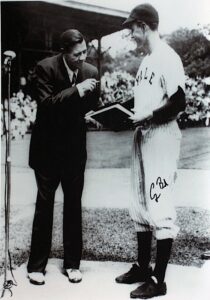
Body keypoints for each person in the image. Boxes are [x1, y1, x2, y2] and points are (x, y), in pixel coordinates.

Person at [115, 4, 186, 299]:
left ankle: (159, 280)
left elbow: (179, 101)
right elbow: (144, 97)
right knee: (139, 202)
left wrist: (147, 116)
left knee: (159, 204)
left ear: (144, 26)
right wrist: (118, 109)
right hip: (142, 134)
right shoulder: (147, 61)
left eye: (132, 28)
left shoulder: (168, 57)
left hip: (161, 135)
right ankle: (143, 268)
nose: (130, 34)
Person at [27, 29, 99, 285]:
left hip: (74, 152)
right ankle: (36, 267)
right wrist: (76, 90)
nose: (83, 57)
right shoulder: (44, 68)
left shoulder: (91, 72)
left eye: (85, 51)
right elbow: (46, 106)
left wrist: (93, 116)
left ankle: (72, 264)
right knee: (44, 208)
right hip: (47, 152)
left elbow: (92, 106)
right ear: (64, 52)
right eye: (77, 53)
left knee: (73, 207)